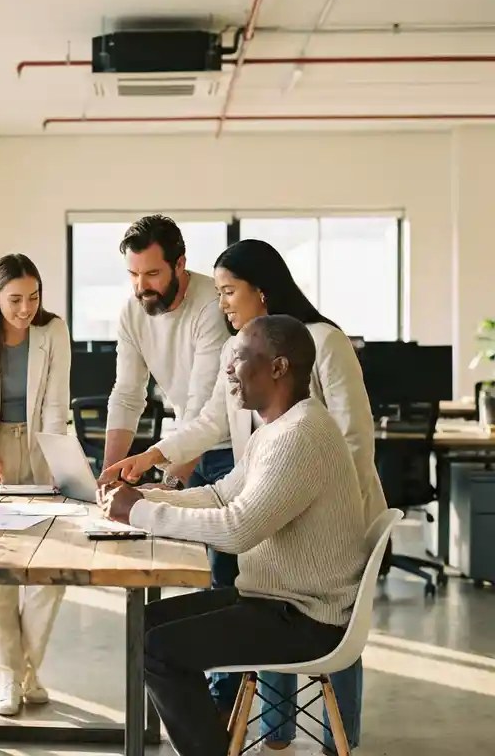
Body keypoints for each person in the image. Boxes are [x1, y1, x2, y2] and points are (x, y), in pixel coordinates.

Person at [102, 239, 385, 753]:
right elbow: (219, 493)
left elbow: (237, 526)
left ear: (277, 368)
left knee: (160, 648)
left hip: (305, 608)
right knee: (144, 625)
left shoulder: (301, 431)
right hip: (279, 589)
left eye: (242, 362)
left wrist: (141, 511)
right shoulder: (274, 428)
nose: (230, 371)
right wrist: (146, 493)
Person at [0, 253, 71, 716]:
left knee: (50, 569)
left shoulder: (52, 331)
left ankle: (26, 670)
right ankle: (7, 679)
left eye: (34, 297)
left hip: (42, 447)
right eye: (16, 299)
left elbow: (57, 405)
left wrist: (58, 461)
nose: (26, 308)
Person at [102, 215, 234, 501]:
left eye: (151, 274)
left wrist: (171, 483)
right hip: (183, 448)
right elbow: (127, 395)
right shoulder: (132, 312)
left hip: (229, 452)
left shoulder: (212, 305)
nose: (140, 286)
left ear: (179, 264)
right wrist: (107, 476)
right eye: (133, 275)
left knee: (220, 542)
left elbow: (202, 406)